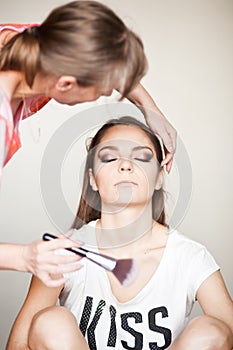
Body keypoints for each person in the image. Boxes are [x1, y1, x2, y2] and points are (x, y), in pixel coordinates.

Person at [6, 116, 233, 350]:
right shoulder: (63, 253)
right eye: (110, 157)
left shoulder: (190, 257)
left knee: (210, 332)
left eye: (142, 157)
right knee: (50, 323)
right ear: (93, 179)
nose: (125, 165)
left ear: (158, 178)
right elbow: (18, 344)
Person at [0, 1, 177, 287]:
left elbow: (101, 55)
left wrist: (150, 108)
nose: (107, 93)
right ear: (67, 83)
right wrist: (23, 257)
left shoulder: (25, 42)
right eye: (100, 92)